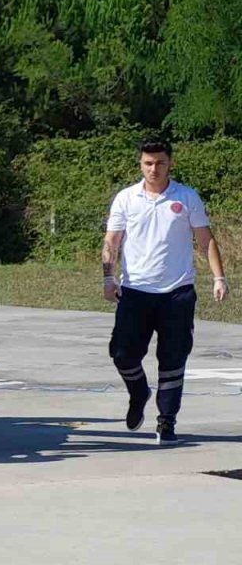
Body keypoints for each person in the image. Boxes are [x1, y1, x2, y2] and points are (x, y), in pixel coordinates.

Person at [102, 139, 228, 445]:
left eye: (159, 163)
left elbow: (205, 239)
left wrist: (218, 277)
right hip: (135, 291)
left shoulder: (186, 197)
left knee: (173, 358)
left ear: (169, 163)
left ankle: (166, 420)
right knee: (121, 353)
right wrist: (108, 277)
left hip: (177, 292)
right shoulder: (126, 198)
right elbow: (112, 241)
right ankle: (138, 391)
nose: (153, 169)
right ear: (140, 164)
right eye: (148, 163)